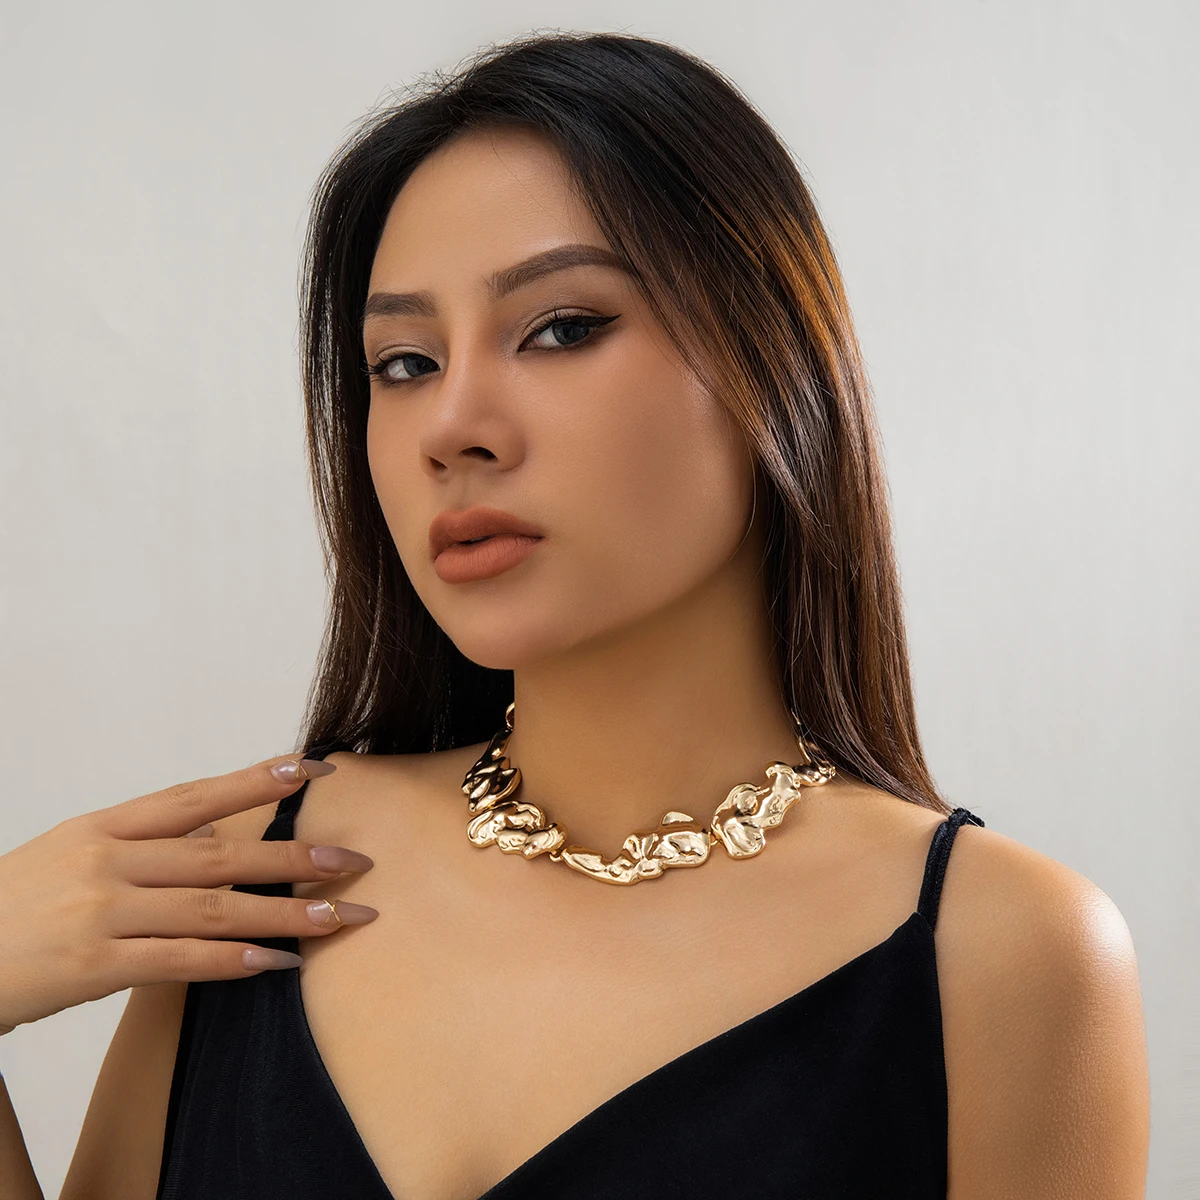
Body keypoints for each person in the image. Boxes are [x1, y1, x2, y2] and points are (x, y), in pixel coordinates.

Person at [0, 30, 1149, 1200]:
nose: (453, 427)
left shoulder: (1001, 954)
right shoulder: (260, 875)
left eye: (560, 329)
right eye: (403, 363)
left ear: (773, 365)